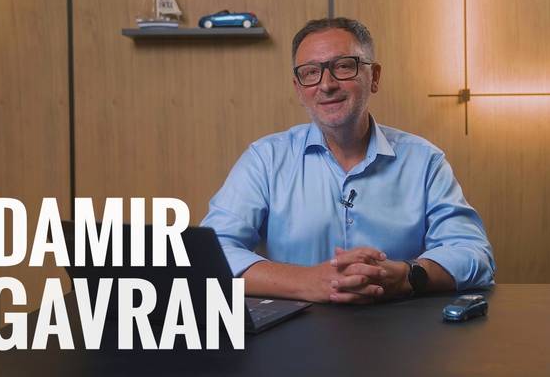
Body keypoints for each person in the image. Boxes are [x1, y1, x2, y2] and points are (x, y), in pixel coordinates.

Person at [200, 17, 495, 304]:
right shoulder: (265, 159)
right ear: (299, 89)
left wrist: (408, 276)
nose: (326, 84)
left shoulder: (424, 160)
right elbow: (209, 255)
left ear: (374, 77)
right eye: (310, 72)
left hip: (401, 328)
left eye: (343, 66)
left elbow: (474, 254)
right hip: (293, 329)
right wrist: (306, 281)